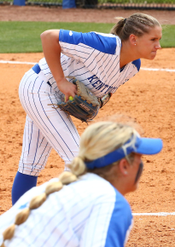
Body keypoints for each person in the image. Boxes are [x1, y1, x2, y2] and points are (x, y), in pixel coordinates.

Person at [11, 13, 162, 204]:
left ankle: (20, 226)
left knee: (31, 164)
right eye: (153, 39)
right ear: (133, 39)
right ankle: (61, 218)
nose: (158, 46)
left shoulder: (133, 67)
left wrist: (97, 103)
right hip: (40, 87)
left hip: (50, 95)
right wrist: (61, 81)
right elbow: (49, 36)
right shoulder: (102, 45)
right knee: (77, 160)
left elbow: (107, 90)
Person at [0, 120, 163, 247]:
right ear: (124, 166)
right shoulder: (109, 201)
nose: (142, 164)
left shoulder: (50, 188)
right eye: (139, 158)